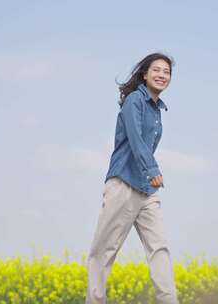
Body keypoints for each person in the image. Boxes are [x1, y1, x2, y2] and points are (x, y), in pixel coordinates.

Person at [85, 52, 179, 304]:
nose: (162, 75)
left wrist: (149, 176)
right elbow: (136, 140)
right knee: (103, 251)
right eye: (157, 70)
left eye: (166, 72)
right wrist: (152, 169)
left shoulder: (158, 110)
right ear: (145, 74)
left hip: (147, 190)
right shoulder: (134, 101)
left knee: (159, 248)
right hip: (124, 183)